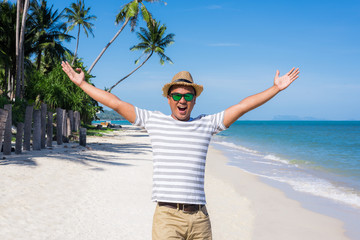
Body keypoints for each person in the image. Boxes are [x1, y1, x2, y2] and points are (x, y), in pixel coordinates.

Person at [61, 61, 299, 239]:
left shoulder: (206, 124)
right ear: (168, 98)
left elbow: (242, 107)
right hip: (167, 216)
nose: (182, 100)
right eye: (176, 95)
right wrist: (83, 84)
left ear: (195, 100)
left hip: (200, 218)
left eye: (188, 95)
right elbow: (116, 103)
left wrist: (275, 89)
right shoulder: (154, 121)